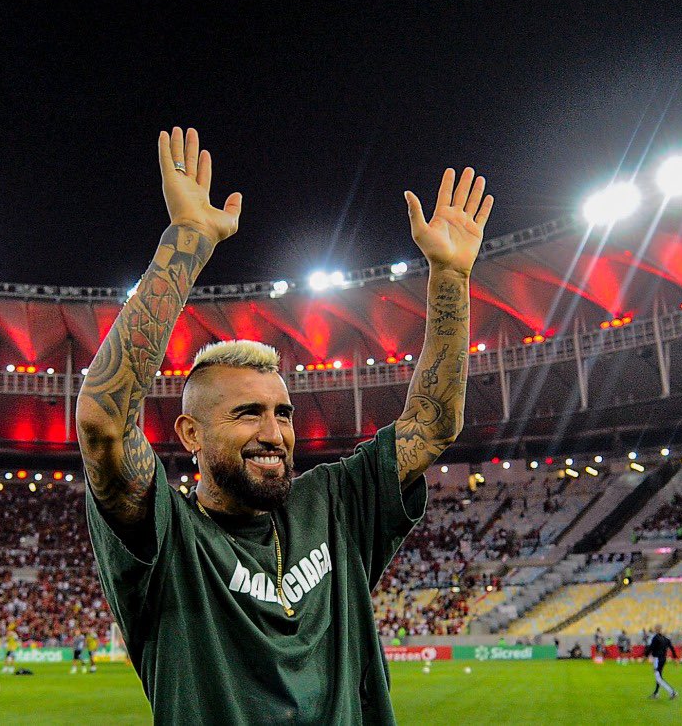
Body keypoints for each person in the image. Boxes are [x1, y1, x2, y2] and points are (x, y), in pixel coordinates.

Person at [77, 127, 494, 724]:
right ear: (192, 435)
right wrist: (188, 240)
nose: (275, 432)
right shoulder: (163, 538)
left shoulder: (333, 504)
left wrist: (450, 278)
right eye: (247, 413)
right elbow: (103, 420)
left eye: (282, 413)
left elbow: (432, 425)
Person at [646, 625, 678, 700]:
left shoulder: (655, 638)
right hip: (663, 659)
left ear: (656, 629)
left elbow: (651, 648)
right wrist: (675, 658)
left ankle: (672, 692)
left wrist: (645, 655)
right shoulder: (666, 639)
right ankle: (656, 693)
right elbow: (672, 648)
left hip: (657, 659)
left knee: (658, 678)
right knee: (659, 675)